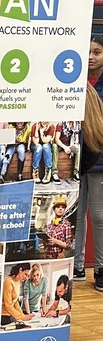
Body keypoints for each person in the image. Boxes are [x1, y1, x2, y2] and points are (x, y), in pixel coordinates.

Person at [72, 87, 103, 288]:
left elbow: (96, 138)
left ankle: (101, 268)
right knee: (77, 214)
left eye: (97, 52)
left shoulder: (91, 94)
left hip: (97, 165)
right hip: (74, 166)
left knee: (99, 216)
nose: (91, 57)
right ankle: (77, 265)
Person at [1, 262, 33, 326]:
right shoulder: (8, 282)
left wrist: (23, 315)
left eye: (28, 276)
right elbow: (8, 306)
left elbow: (15, 302)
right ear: (20, 270)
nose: (26, 277)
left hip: (11, 315)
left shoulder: (18, 282)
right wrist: (22, 317)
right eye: (25, 274)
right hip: (4, 316)